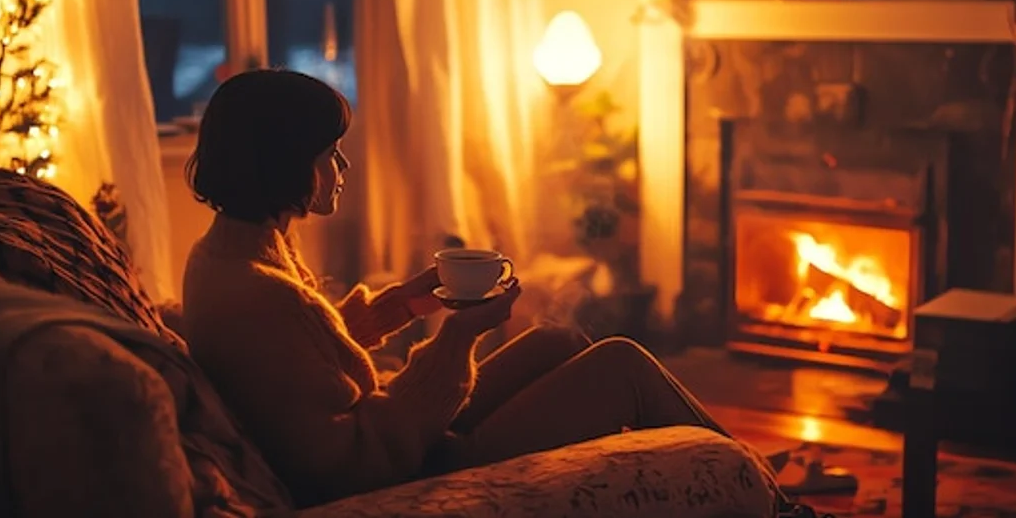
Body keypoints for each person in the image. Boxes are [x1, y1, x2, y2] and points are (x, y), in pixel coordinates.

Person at [181, 69, 780, 509]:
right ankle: (758, 492)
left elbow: (311, 355)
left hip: (402, 437)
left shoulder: (234, 253)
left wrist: (410, 301)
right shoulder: (258, 293)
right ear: (284, 162)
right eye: (330, 153)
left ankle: (734, 476)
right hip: (404, 465)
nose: (343, 168)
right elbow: (352, 462)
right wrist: (457, 336)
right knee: (621, 365)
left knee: (557, 339)